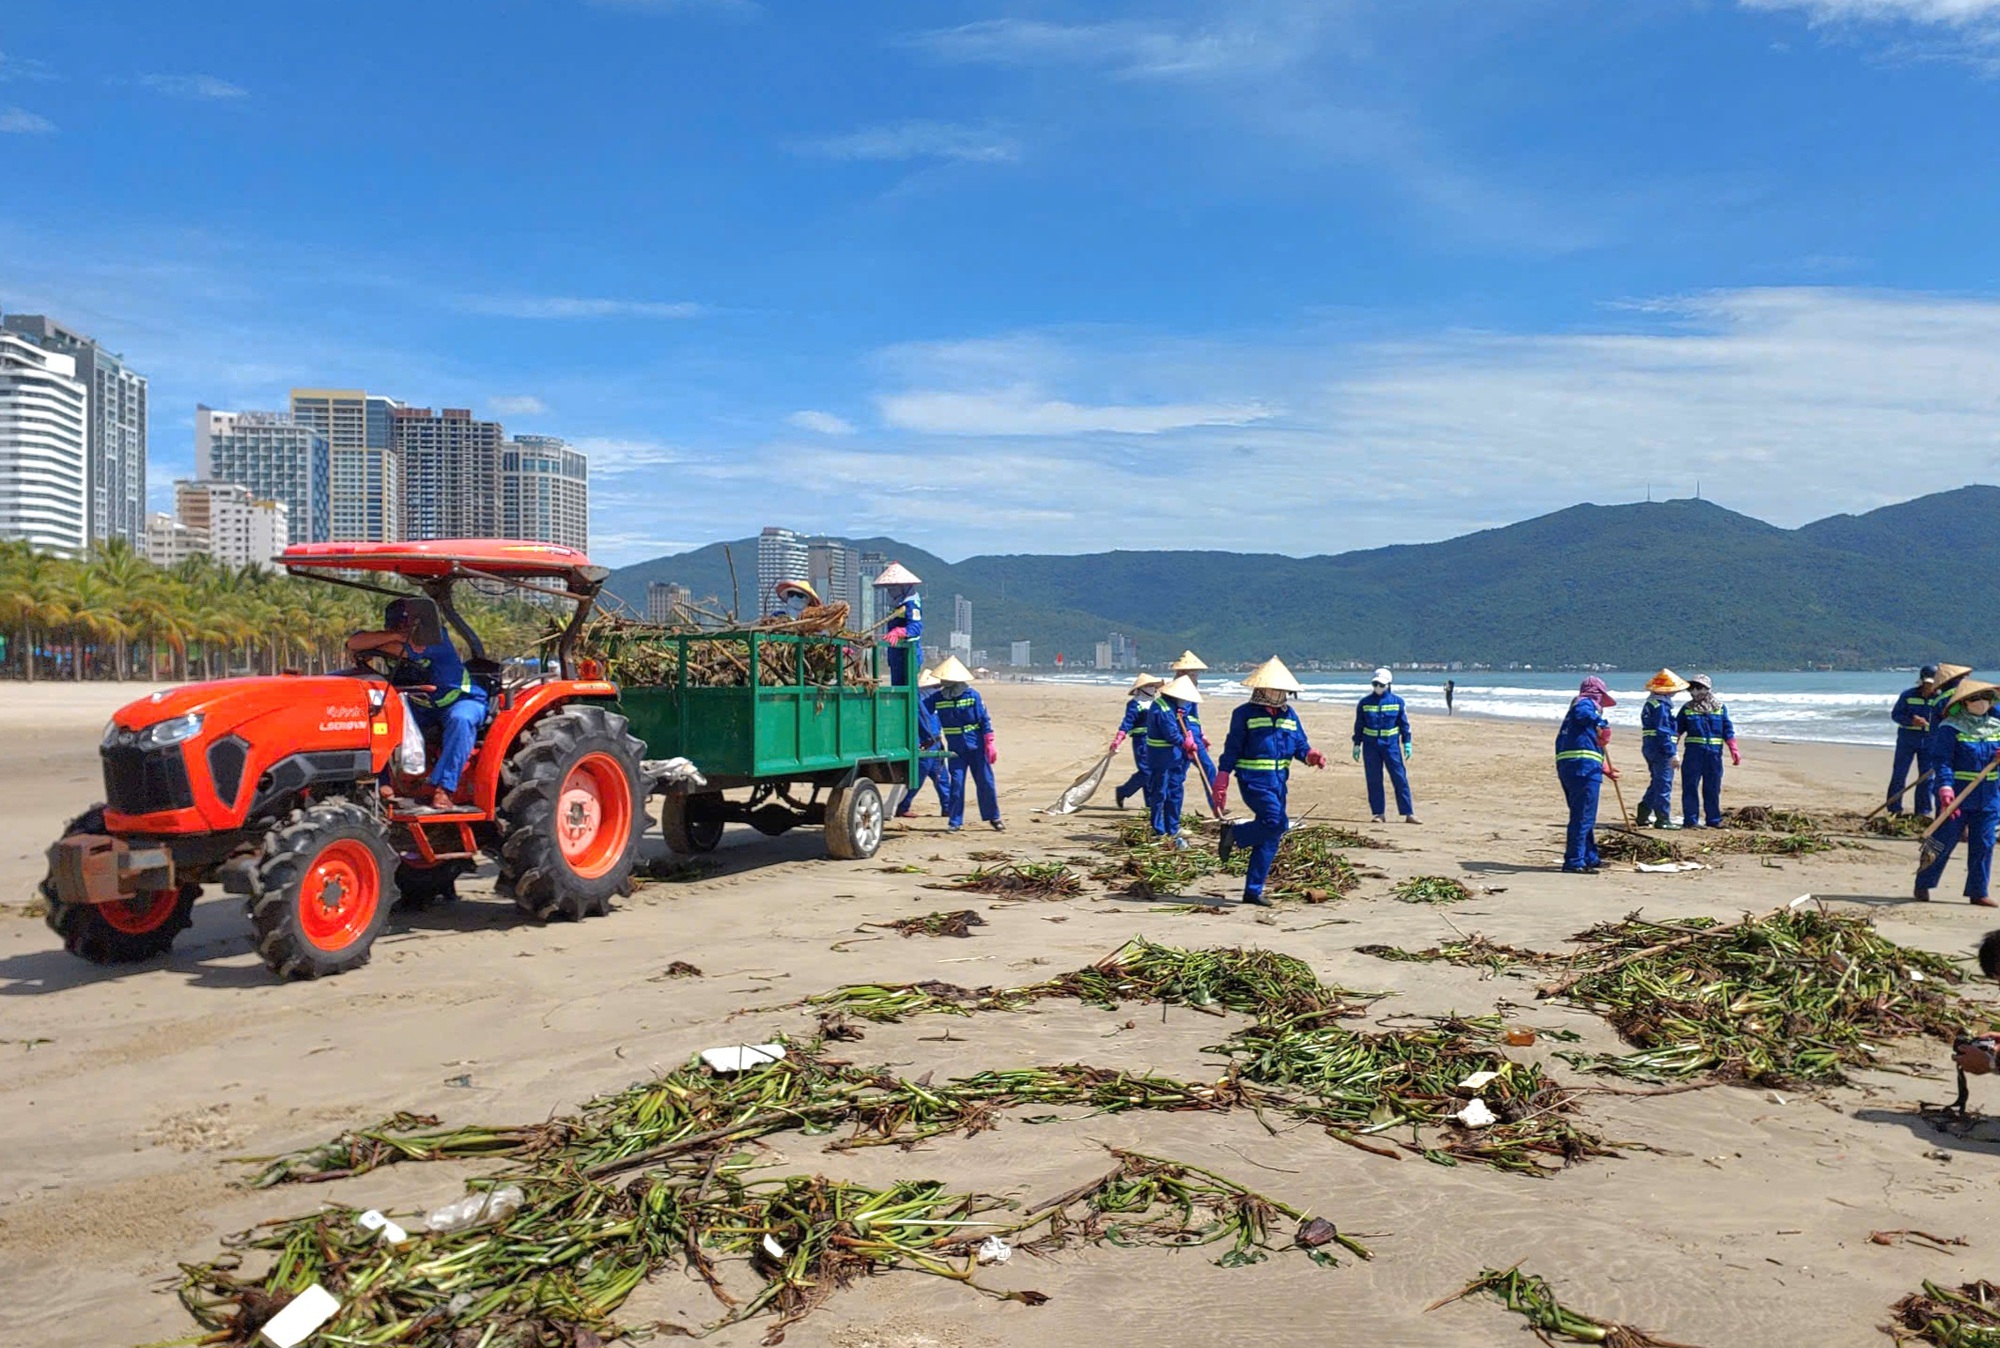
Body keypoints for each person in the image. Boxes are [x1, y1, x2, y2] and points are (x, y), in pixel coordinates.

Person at [346, 596, 487, 811]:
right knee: (375, 718)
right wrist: (393, 636)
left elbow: (389, 648)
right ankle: (382, 784)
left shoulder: (437, 639)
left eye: (406, 625)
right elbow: (354, 643)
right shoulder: (391, 637)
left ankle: (444, 789)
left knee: (461, 719)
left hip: (460, 699)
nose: (403, 630)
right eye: (395, 625)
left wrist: (381, 642)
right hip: (422, 703)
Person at [1213, 657, 1326, 906]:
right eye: (1276, 689)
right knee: (1276, 822)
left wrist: (1311, 756)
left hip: (1278, 783)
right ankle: (1235, 833)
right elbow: (1232, 748)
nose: (1280, 694)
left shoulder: (1290, 715)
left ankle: (1253, 891)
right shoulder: (1243, 714)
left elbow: (1300, 745)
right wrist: (1222, 777)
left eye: (1283, 690)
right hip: (1253, 781)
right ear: (1262, 688)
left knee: (1270, 835)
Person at [1915, 679, 2000, 908]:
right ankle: (1923, 882)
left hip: (1990, 796)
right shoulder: (1951, 728)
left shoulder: (1996, 726)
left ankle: (1978, 891)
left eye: (1986, 697)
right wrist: (1944, 787)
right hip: (1958, 794)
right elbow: (1942, 760)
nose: (1981, 702)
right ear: (1964, 703)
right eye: (1975, 698)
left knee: (1984, 842)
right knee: (1941, 841)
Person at [1555, 676, 1619, 873]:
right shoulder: (1584, 704)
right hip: (1583, 769)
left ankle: (1590, 856)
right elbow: (1585, 714)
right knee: (1582, 816)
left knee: (1585, 815)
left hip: (1574, 767)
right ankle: (1574, 860)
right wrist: (1603, 724)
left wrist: (1602, 768)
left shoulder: (1572, 719)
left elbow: (1582, 747)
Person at [932, 656, 1003, 833]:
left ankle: (994, 817)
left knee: (986, 782)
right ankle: (955, 821)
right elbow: (921, 708)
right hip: (956, 750)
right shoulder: (939, 697)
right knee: (956, 784)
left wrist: (989, 742)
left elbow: (984, 719)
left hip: (977, 746)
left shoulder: (972, 695)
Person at [1145, 675, 1204, 851]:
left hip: (1175, 757)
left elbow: (1185, 723)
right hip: (1160, 757)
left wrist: (1193, 737)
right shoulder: (1162, 708)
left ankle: (1173, 827)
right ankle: (1159, 829)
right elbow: (1171, 734)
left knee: (1175, 790)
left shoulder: (1176, 708)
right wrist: (1185, 743)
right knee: (1160, 792)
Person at [1352, 668, 1418, 824]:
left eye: (1381, 684)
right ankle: (1378, 813)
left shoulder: (1397, 702)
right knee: (1374, 779)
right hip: (1371, 746)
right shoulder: (1364, 703)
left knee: (1399, 777)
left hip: (1391, 745)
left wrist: (1407, 742)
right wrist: (1356, 744)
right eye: (1375, 684)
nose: (1378, 687)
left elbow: (1403, 724)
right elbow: (1359, 725)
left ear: (1388, 684)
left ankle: (1408, 812)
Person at [1674, 674, 1738, 828]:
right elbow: (1676, 731)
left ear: (1707, 689)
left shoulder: (1720, 708)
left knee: (1713, 787)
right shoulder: (1687, 709)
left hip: (1714, 755)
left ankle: (1713, 820)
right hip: (1693, 755)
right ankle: (1690, 820)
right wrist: (1672, 752)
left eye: (1699, 688)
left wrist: (1733, 748)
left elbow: (1727, 729)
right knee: (1690, 787)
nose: (1695, 692)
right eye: (1692, 688)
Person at [1636, 669, 1688, 829]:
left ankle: (1643, 813)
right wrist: (1672, 753)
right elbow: (1663, 731)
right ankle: (1662, 819)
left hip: (1650, 747)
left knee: (1657, 782)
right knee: (1664, 783)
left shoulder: (1651, 704)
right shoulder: (1660, 707)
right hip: (1660, 749)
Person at [1888, 666, 1943, 817]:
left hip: (1930, 741)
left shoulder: (1940, 698)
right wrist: (1911, 721)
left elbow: (1945, 719)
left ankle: (1923, 811)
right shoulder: (1908, 695)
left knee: (1926, 777)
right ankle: (1894, 808)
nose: (1929, 686)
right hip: (1907, 739)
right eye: (1927, 683)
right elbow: (1896, 715)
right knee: (1899, 774)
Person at [1922, 664, 1974, 820]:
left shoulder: (1940, 700)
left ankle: (1944, 820)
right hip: (1977, 747)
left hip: (1949, 747)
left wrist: (1935, 754)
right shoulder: (1975, 694)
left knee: (1945, 783)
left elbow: (1934, 732)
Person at [896, 667, 950, 819]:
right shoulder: (922, 699)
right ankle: (903, 806)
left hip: (933, 743)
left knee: (941, 777)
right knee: (920, 778)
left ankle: (948, 806)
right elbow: (926, 723)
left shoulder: (929, 698)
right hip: (927, 743)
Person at [1111, 673, 1165, 810]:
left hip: (1155, 741)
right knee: (1146, 771)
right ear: (1142, 688)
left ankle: (1150, 803)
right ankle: (1124, 791)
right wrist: (1119, 738)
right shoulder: (1135, 704)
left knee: (1153, 771)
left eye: (1154, 686)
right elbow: (1127, 722)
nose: (1153, 688)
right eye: (1150, 686)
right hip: (1141, 741)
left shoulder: (1157, 703)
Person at [1170, 651, 1218, 783]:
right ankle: (1216, 803)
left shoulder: (1190, 690)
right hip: (1186, 735)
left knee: (1179, 773)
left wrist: (1202, 734)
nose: (1196, 677)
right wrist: (1189, 737)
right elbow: (1179, 717)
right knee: (1207, 769)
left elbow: (1193, 715)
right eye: (1193, 674)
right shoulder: (1177, 692)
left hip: (1193, 734)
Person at [873, 562, 923, 687]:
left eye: (893, 588)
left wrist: (900, 632)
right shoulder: (897, 605)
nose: (890, 591)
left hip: (908, 654)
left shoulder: (911, 604)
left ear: (903, 587)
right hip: (896, 654)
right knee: (898, 690)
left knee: (910, 693)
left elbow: (916, 627)